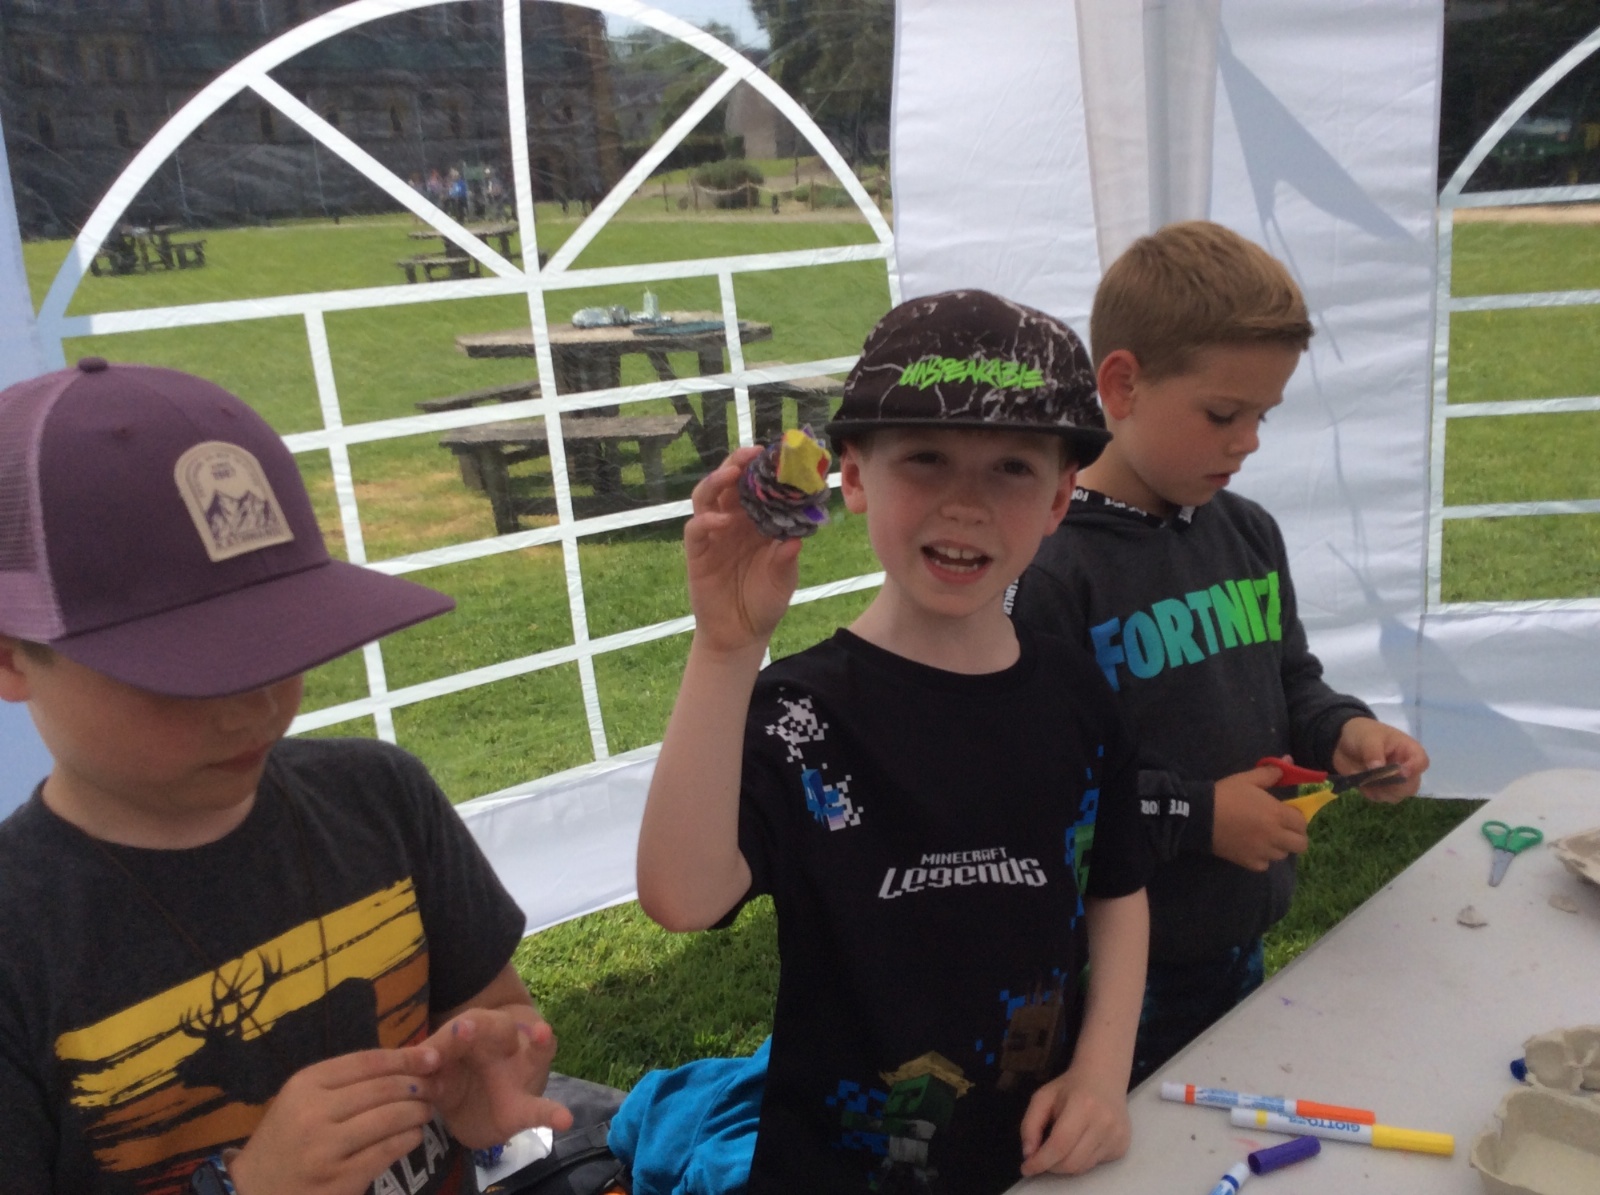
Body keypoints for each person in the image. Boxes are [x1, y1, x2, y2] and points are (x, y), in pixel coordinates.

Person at [0, 359, 574, 1194]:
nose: (256, 704)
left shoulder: (382, 798)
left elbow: (494, 1011)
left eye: (281, 641)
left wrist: (494, 1067)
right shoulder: (21, 940)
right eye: (183, 667)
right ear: (11, 657)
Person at [636, 291, 1152, 1193]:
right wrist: (726, 647)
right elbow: (682, 897)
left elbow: (1118, 889)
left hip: (1035, 1161)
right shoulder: (802, 713)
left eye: (1012, 468)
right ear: (853, 477)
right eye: (926, 458)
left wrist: (1103, 1073)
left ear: (1061, 496)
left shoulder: (1077, 693)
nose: (966, 503)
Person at [1007, 221, 1432, 1087]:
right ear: (1121, 385)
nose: (1249, 441)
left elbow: (1291, 681)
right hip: (1113, 974)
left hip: (1237, 936)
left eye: (1262, 416)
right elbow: (1042, 790)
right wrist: (1200, 815)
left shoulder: (1248, 533)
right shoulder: (1053, 569)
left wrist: (1345, 732)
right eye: (1223, 414)